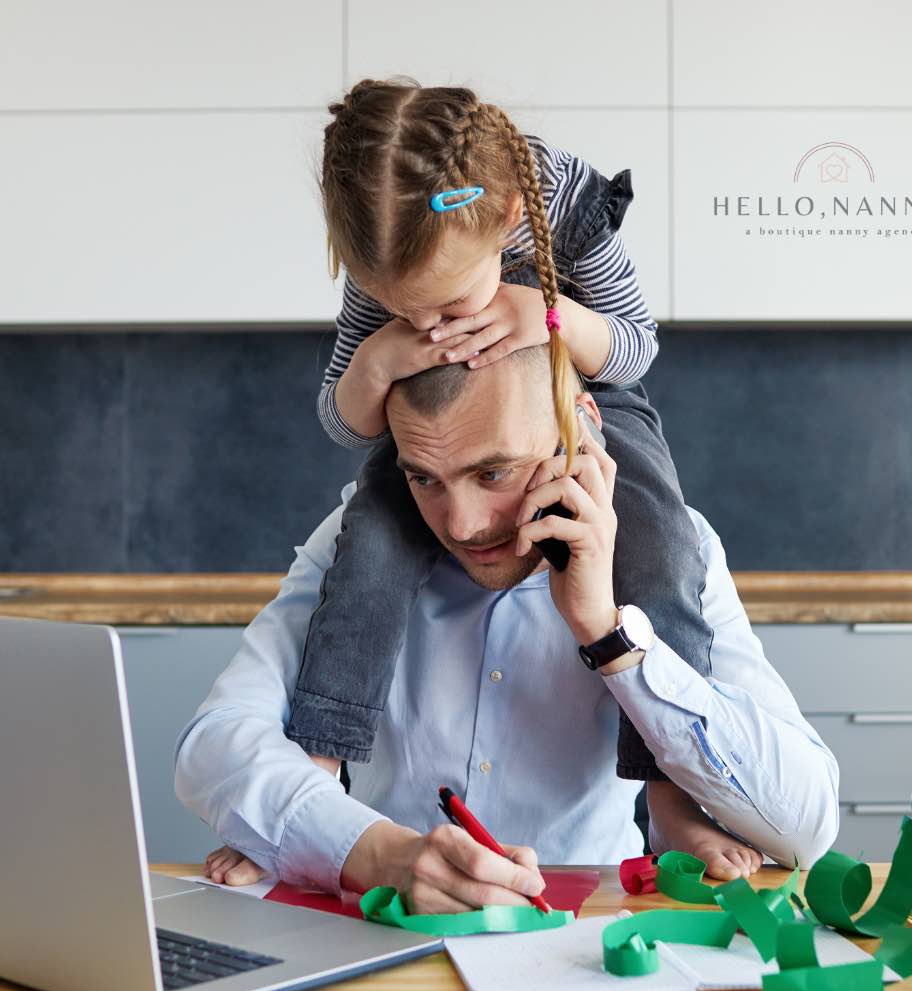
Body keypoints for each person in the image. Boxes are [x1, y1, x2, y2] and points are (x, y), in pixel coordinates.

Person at [175, 343, 840, 914]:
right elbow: (214, 748)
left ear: (578, 428)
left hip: (594, 951)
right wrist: (374, 855)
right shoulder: (357, 546)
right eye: (424, 479)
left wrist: (610, 636)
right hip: (387, 941)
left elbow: (806, 825)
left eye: (492, 472)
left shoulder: (676, 550)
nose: (460, 522)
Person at [286, 75, 713, 789]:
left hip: (584, 393)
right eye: (402, 308)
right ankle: (319, 760)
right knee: (370, 552)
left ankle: (671, 788)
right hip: (444, 431)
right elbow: (346, 423)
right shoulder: (387, 238)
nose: (428, 325)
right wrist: (378, 359)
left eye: (445, 301)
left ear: (509, 215)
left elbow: (636, 345)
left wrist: (546, 317)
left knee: (661, 546)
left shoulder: (564, 203)